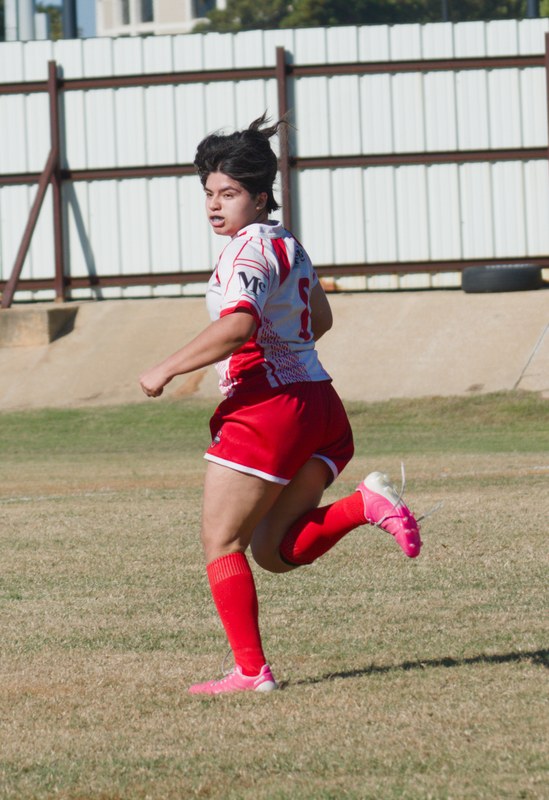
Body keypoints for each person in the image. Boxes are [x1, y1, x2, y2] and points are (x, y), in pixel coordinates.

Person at [139, 113, 422, 695]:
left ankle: (251, 673)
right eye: (209, 194)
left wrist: (165, 367)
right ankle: (365, 505)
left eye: (230, 194)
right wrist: (287, 350)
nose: (215, 206)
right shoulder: (288, 244)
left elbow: (239, 325)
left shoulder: (245, 253)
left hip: (268, 409)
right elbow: (319, 317)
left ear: (260, 196)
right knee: (274, 550)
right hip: (320, 407)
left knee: (222, 543)